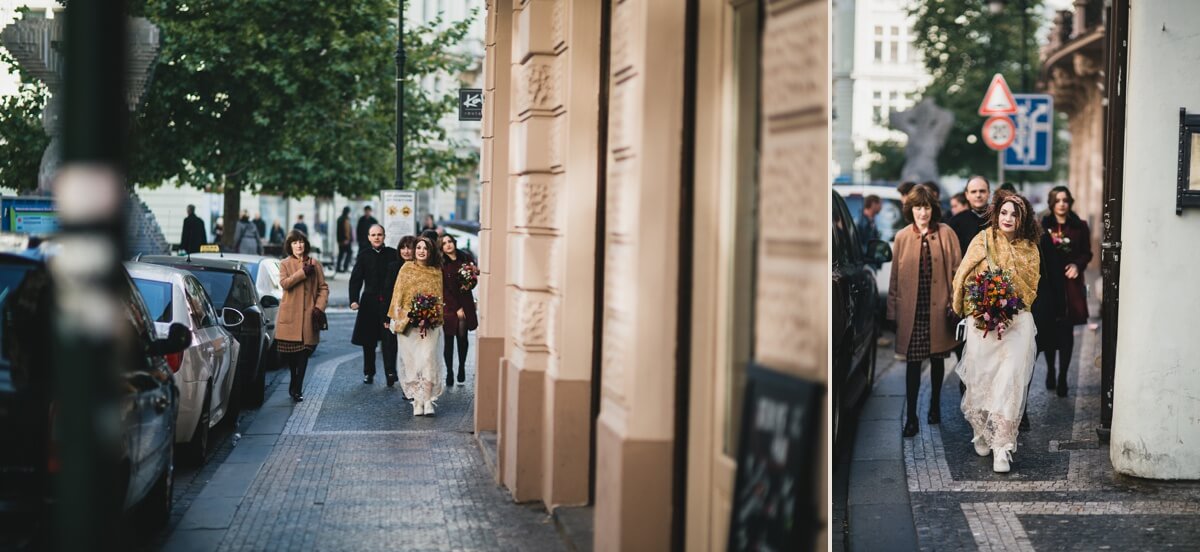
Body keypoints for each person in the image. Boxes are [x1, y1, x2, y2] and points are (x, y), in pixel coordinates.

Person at [952, 189, 1041, 473]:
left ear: (1022, 218)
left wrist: (1009, 306)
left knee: (1010, 382)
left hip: (1018, 324)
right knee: (982, 378)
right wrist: (979, 305)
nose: (1008, 218)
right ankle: (981, 432)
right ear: (996, 214)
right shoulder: (982, 241)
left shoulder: (1030, 248)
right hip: (983, 323)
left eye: (1014, 214)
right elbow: (964, 276)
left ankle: (1002, 448)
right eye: (1004, 212)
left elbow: (1030, 289)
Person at [888, 185, 962, 438]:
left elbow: (957, 272)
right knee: (912, 364)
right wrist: (892, 311)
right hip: (913, 310)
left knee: (938, 359)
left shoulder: (946, 233)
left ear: (933, 208)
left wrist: (955, 302)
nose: (923, 212)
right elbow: (895, 277)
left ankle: (934, 406)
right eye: (918, 207)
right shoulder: (902, 237)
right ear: (911, 209)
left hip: (939, 309)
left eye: (927, 207)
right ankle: (911, 417)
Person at [1035, 186, 1092, 397]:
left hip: (1070, 283)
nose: (1062, 204)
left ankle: (1063, 377)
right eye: (1057, 200)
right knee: (1050, 328)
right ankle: (1050, 370)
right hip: (1049, 283)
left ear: (1070, 203)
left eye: (1065, 200)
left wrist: (1078, 264)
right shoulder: (1042, 226)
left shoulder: (1080, 226)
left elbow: (1087, 252)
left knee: (1066, 331)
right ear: (1051, 203)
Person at [388, 236, 446, 416]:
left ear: (430, 252)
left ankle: (428, 400)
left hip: (430, 325)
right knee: (412, 362)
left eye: (425, 248)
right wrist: (408, 315)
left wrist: (429, 316)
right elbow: (398, 295)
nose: (421, 251)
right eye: (418, 247)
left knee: (428, 360)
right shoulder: (406, 269)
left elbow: (439, 299)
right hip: (408, 324)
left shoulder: (436, 271)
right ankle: (416, 401)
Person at [277, 230, 329, 402]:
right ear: (290, 246)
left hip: (309, 316)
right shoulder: (284, 264)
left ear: (305, 244)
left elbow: (323, 288)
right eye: (294, 243)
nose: (298, 245)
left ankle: (298, 388)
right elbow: (285, 284)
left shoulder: (315, 263)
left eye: (301, 242)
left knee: (304, 354)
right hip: (290, 317)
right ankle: (293, 379)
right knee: (292, 357)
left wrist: (319, 307)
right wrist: (302, 273)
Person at [350, 224, 401, 386]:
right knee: (368, 341)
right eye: (373, 235)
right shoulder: (364, 255)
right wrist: (353, 299)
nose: (377, 237)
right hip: (369, 303)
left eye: (379, 234)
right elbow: (356, 278)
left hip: (389, 303)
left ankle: (390, 372)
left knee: (389, 340)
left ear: (384, 236)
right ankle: (368, 372)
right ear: (368, 237)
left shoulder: (393, 254)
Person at [439, 234, 478, 386]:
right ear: (441, 247)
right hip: (449, 305)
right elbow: (443, 288)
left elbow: (473, 277)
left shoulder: (465, 257)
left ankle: (461, 367)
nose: (448, 245)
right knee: (448, 339)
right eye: (444, 243)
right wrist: (456, 308)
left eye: (449, 241)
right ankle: (449, 371)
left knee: (462, 337)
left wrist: (470, 283)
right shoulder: (441, 262)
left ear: (454, 243)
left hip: (465, 301)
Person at [947, 176, 991, 255]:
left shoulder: (999, 219)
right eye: (973, 192)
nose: (978, 195)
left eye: (982, 191)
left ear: (989, 193)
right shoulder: (955, 222)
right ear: (967, 195)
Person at [336, 206, 353, 273]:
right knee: (349, 252)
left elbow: (338, 231)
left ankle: (338, 267)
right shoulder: (345, 219)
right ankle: (345, 266)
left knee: (341, 254)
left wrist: (339, 240)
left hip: (340, 240)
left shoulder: (339, 219)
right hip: (345, 240)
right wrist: (347, 239)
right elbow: (346, 230)